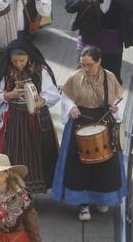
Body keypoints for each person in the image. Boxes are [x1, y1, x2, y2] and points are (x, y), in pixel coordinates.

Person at [52, 46, 125, 222]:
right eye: (83, 64)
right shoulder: (75, 77)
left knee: (105, 166)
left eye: (89, 64)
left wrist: (116, 108)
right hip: (80, 124)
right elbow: (66, 97)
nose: (85, 68)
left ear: (99, 61)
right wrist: (72, 108)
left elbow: (118, 99)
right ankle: (83, 204)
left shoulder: (110, 77)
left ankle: (102, 198)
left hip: (104, 124)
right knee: (79, 167)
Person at [0, 37, 59, 194]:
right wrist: (8, 95)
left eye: (22, 60)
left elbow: (53, 94)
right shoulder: (4, 72)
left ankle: (32, 191)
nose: (18, 64)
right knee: (14, 154)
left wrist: (41, 100)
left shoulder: (40, 70)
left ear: (29, 56)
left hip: (37, 120)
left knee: (38, 154)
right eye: (15, 61)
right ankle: (14, 191)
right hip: (13, 121)